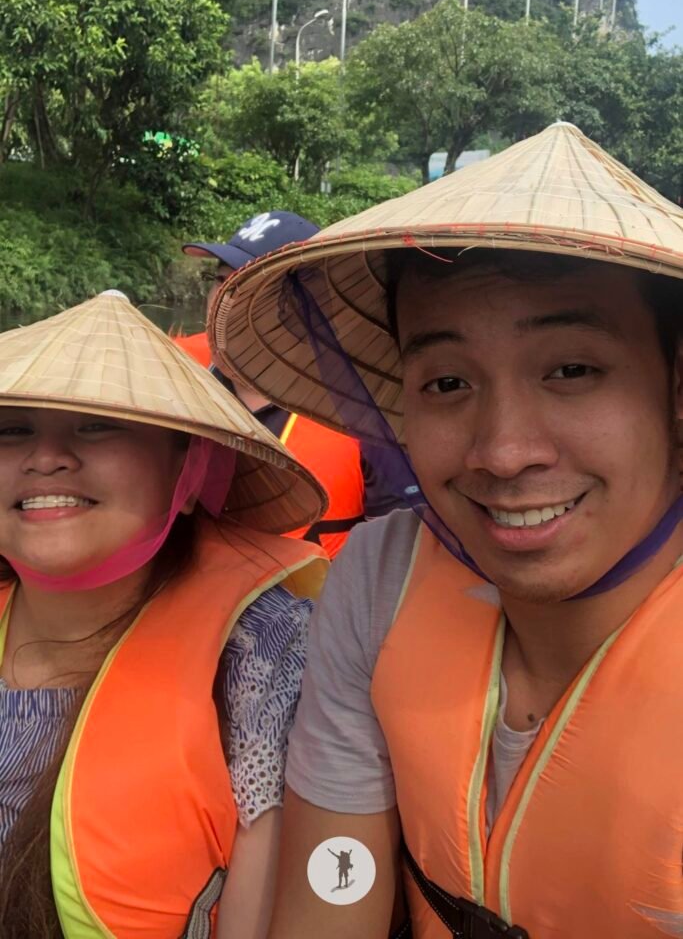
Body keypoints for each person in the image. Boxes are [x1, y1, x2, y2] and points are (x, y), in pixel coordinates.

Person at [210, 123, 683, 939]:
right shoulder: (380, 577)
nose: (502, 451)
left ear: (673, 385)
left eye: (571, 369)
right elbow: (335, 875)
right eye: (446, 382)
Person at [0, 289, 328, 939]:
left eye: (97, 425)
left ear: (189, 469)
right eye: (12, 430)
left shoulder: (266, 650)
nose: (47, 457)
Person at [178, 210, 404, 558]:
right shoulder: (171, 380)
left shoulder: (370, 411)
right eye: (220, 281)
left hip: (320, 590)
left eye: (244, 286)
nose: (221, 302)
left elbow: (399, 555)